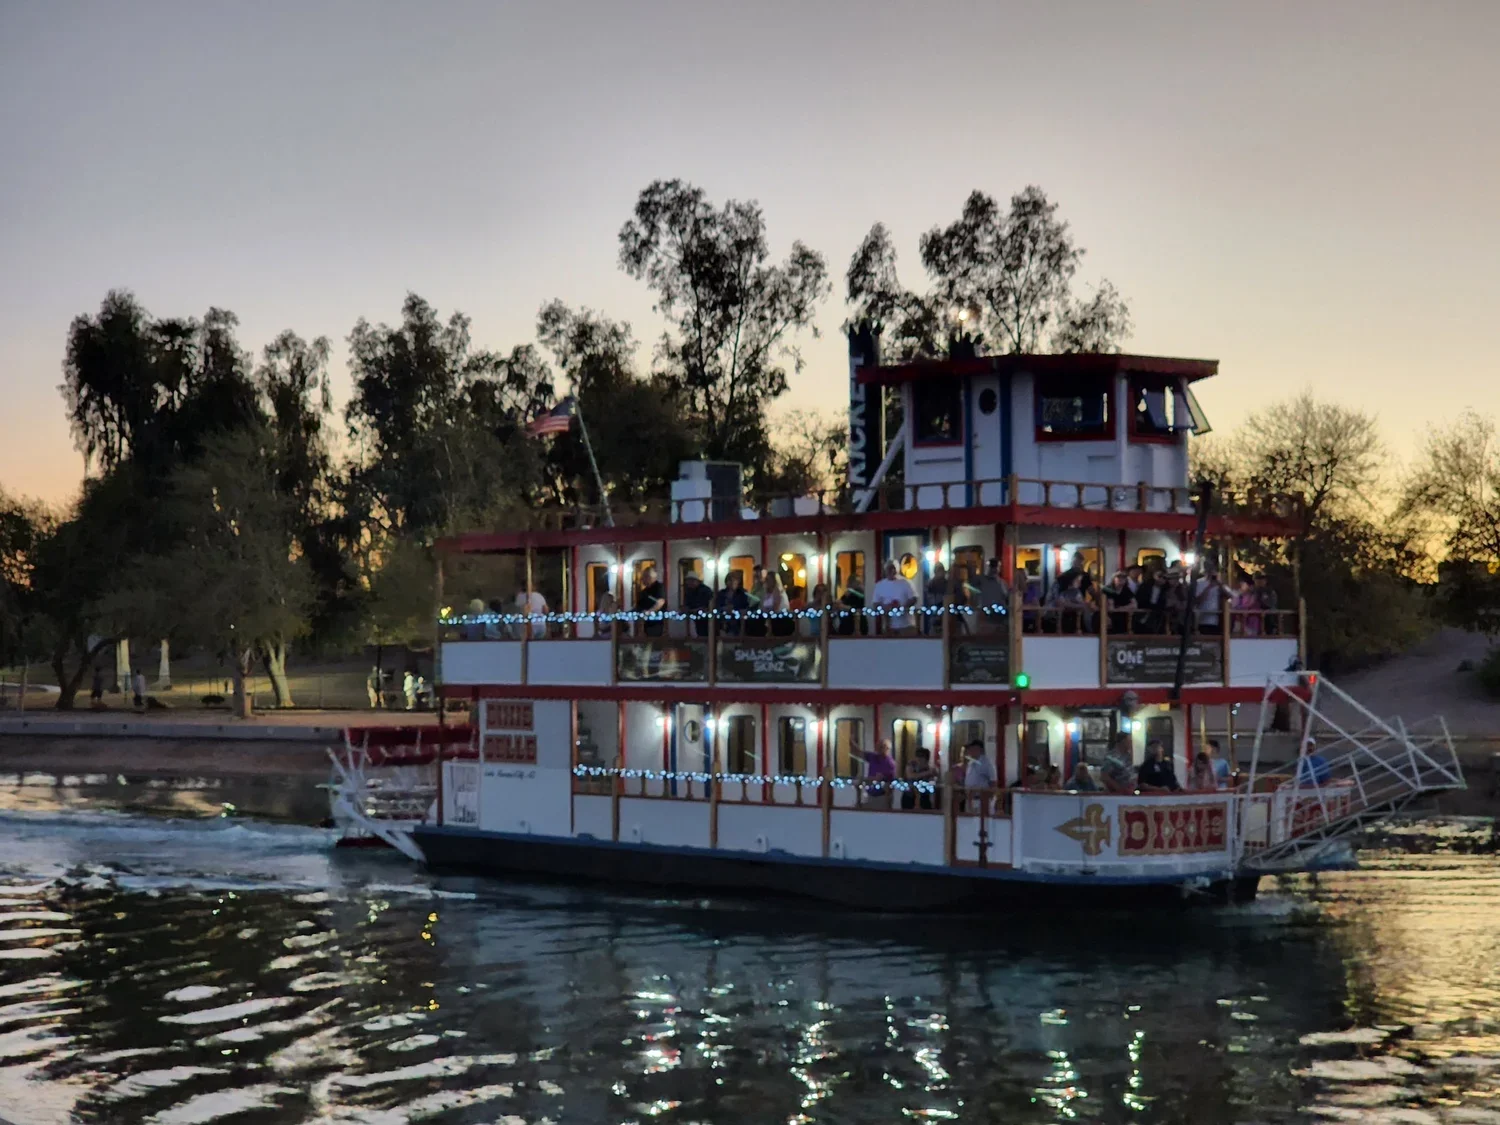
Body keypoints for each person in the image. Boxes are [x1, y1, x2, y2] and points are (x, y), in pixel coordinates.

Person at [871, 560, 918, 635]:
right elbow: (875, 603)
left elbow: (914, 598)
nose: (891, 571)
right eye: (889, 569)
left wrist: (903, 607)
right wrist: (884, 606)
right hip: (888, 626)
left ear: (897, 570)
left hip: (907, 625)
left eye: (893, 568)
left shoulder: (906, 582)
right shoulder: (879, 585)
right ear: (885, 570)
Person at [973, 558, 1010, 633]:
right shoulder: (980, 580)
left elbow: (1007, 598)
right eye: (992, 566)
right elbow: (970, 586)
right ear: (989, 567)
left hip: (999, 616)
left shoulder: (1002, 583)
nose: (994, 569)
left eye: (996, 567)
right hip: (985, 615)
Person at [1194, 564, 1232, 635]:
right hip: (1204, 619)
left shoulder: (1220, 584)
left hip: (1218, 619)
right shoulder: (1199, 583)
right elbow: (1198, 600)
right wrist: (1209, 587)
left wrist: (1220, 586)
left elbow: (1229, 596)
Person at [860, 739, 898, 809]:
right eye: (877, 746)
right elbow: (859, 753)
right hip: (869, 794)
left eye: (880, 747)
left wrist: (863, 779)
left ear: (887, 749)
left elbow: (878, 778)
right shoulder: (873, 757)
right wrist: (852, 742)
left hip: (882, 796)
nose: (877, 749)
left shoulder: (889, 763)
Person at [634, 566, 667, 637]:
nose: (642, 579)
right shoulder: (643, 592)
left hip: (657, 624)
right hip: (644, 625)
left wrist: (649, 612)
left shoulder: (659, 587)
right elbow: (638, 607)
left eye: (644, 577)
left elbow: (661, 602)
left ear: (651, 577)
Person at [714, 571, 750, 636]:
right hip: (723, 621)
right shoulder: (721, 593)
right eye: (730, 580)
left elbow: (745, 607)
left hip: (738, 621)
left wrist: (734, 609)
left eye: (734, 580)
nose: (732, 583)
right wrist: (724, 609)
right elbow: (717, 606)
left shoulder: (742, 594)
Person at [681, 571, 714, 637]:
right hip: (693, 619)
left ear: (697, 581)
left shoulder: (706, 590)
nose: (689, 583)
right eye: (688, 581)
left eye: (691, 581)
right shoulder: (688, 591)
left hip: (706, 620)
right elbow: (687, 604)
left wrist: (698, 609)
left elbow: (709, 604)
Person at [836, 568, 867, 636]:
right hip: (846, 625)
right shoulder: (847, 594)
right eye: (856, 582)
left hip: (858, 625)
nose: (858, 584)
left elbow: (859, 608)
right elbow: (839, 602)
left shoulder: (862, 595)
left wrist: (846, 607)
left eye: (859, 582)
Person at [763, 572, 795, 637]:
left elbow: (775, 607)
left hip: (781, 621)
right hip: (772, 620)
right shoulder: (768, 593)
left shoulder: (778, 591)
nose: (767, 581)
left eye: (769, 579)